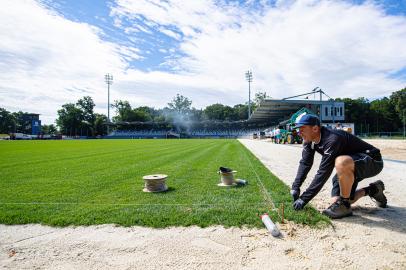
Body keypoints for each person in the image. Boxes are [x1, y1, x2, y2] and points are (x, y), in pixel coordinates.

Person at [290, 114, 386, 219]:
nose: (299, 133)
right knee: (335, 201)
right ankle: (374, 189)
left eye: (302, 129)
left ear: (315, 128)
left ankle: (344, 205)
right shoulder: (309, 141)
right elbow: (305, 163)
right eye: (298, 129)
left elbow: (323, 172)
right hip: (350, 166)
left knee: (341, 162)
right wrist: (295, 188)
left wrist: (304, 199)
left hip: (372, 161)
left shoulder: (332, 139)